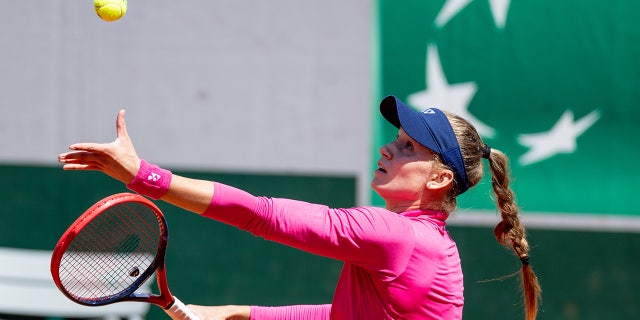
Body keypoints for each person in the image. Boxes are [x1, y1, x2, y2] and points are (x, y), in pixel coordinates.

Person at [58, 96, 541, 320]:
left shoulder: (399, 237)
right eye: (395, 141)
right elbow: (343, 316)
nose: (387, 151)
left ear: (438, 179)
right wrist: (236, 314)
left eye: (408, 148)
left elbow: (261, 214)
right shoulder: (425, 243)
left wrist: (143, 175)